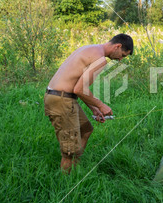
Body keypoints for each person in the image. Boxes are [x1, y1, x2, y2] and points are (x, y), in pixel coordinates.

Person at [44, 33, 134, 173]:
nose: (120, 59)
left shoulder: (91, 48)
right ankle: (67, 181)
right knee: (69, 151)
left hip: (62, 97)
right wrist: (101, 105)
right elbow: (79, 89)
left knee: (86, 130)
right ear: (118, 46)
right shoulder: (100, 59)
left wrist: (93, 108)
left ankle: (76, 168)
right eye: (123, 55)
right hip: (61, 101)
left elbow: (77, 88)